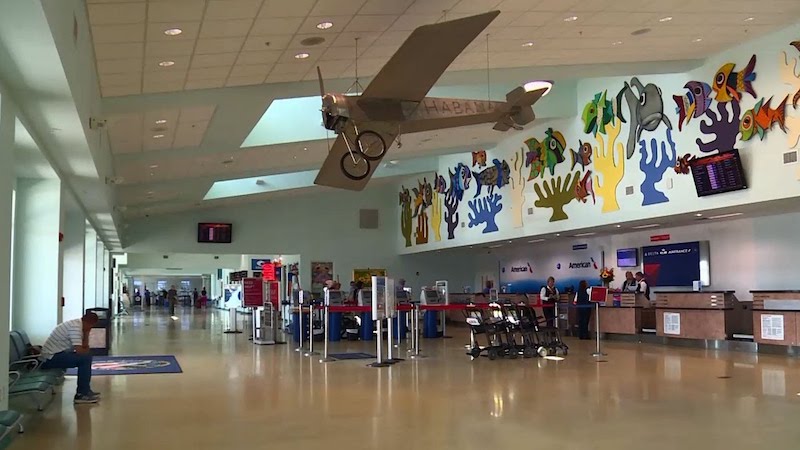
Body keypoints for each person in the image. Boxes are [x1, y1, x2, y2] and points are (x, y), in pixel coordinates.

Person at [39, 313, 101, 404]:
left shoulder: (77, 325)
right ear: (89, 323)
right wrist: (86, 347)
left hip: (56, 355)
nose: (91, 328)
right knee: (85, 359)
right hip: (50, 358)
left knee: (86, 357)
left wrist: (86, 333)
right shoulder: (75, 328)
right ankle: (81, 394)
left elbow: (85, 347)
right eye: (91, 326)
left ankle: (85, 390)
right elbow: (80, 350)